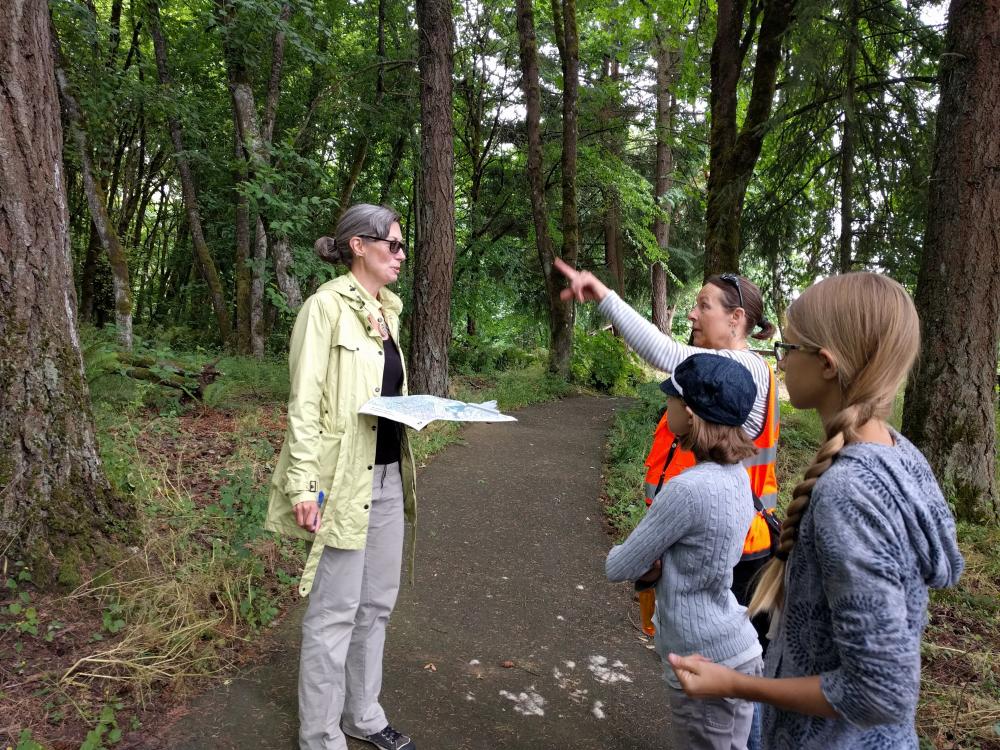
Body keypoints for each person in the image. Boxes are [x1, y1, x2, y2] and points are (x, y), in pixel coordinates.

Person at [667, 272, 965, 749]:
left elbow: (879, 692)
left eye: (789, 348)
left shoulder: (849, 494)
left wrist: (734, 683)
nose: (779, 361)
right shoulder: (899, 452)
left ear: (826, 364)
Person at [554, 259, 780, 628]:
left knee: (716, 661)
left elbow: (668, 355)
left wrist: (605, 296)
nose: (691, 314)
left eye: (703, 305)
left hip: (737, 549)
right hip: (717, 539)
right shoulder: (724, 372)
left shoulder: (743, 369)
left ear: (736, 318)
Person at [265, 204, 417, 750]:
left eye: (403, 246)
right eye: (392, 244)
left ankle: (363, 715)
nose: (401, 254)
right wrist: (305, 486)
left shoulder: (387, 312)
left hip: (388, 476)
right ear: (359, 246)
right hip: (341, 482)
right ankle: (321, 736)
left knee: (376, 606)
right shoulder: (324, 308)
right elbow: (304, 405)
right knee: (334, 613)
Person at [606, 353, 764, 750]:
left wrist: (646, 564)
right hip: (737, 649)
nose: (667, 408)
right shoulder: (739, 478)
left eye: (671, 401)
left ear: (689, 415)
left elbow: (620, 565)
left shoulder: (687, 489)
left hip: (700, 664)